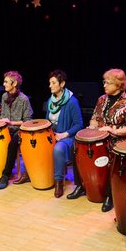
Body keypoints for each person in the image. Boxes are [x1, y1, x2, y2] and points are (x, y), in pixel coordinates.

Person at [67, 68, 126, 212]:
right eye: (104, 82)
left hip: (119, 139)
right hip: (100, 136)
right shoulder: (101, 99)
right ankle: (81, 185)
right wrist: (92, 126)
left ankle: (109, 195)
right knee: (76, 148)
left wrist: (114, 131)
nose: (104, 85)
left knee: (112, 154)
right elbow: (95, 117)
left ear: (119, 85)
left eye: (108, 82)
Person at [0, 71, 33, 189]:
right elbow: (4, 115)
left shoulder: (24, 99)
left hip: (20, 130)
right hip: (7, 128)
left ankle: (5, 175)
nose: (3, 84)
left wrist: (12, 122)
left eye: (6, 82)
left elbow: (27, 121)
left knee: (13, 142)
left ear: (14, 84)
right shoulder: (4, 96)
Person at [46, 69, 83, 198]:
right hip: (53, 134)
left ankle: (58, 182)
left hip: (68, 136)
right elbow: (48, 121)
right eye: (49, 83)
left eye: (53, 82)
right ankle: (39, 176)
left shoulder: (72, 102)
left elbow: (79, 124)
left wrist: (64, 134)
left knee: (58, 149)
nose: (50, 85)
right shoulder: (50, 101)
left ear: (62, 84)